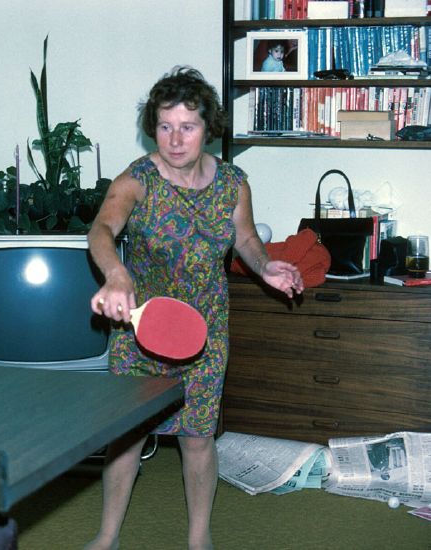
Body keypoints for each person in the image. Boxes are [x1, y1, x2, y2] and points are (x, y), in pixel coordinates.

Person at [84, 66, 303, 550]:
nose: (175, 139)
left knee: (198, 438)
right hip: (140, 331)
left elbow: (245, 238)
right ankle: (106, 536)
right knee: (126, 438)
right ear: (152, 127)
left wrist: (265, 267)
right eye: (165, 126)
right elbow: (101, 230)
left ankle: (198, 539)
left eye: (188, 126)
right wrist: (117, 275)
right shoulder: (138, 179)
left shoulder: (233, 183)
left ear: (208, 128)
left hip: (204, 331)